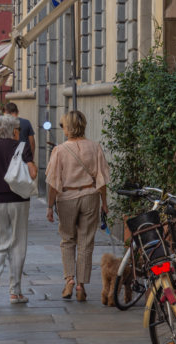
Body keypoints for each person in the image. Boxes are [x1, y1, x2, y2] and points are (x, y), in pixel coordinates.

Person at [45, 110, 110, 302]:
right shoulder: (95, 147)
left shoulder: (60, 150)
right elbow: (102, 179)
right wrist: (104, 203)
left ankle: (70, 280)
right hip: (90, 195)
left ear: (69, 128)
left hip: (67, 197)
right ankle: (82, 284)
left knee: (67, 240)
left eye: (63, 125)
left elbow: (53, 181)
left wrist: (50, 206)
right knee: (86, 242)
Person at [0, 115, 37, 304]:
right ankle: (15, 292)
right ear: (14, 131)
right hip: (19, 199)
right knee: (18, 244)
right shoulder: (21, 147)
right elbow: (33, 172)